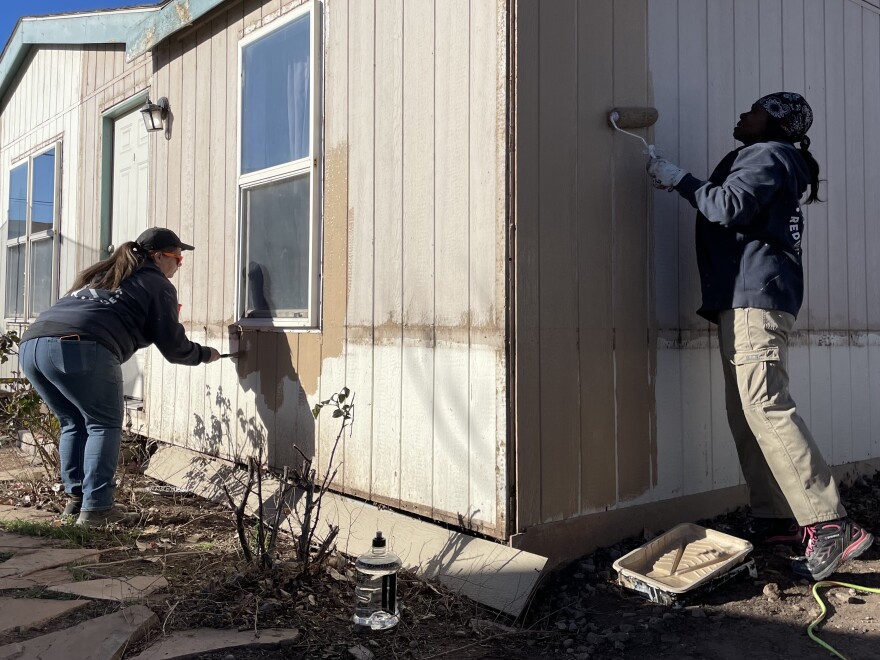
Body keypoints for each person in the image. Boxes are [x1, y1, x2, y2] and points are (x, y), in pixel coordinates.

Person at [647, 92, 874, 580]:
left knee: (764, 404)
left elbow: (728, 206)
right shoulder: (771, 157)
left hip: (756, 299)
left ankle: (830, 522)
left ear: (773, 120)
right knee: (746, 410)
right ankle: (776, 521)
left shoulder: (768, 154)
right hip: (745, 298)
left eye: (753, 110)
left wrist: (679, 179)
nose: (741, 113)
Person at [19, 227, 221, 527]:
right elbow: (173, 346)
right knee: (103, 425)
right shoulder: (155, 282)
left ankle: (76, 503)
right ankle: (97, 509)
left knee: (74, 422)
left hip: (32, 348)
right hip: (79, 346)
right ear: (157, 256)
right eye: (176, 258)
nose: (179, 265)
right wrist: (205, 354)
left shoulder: (105, 276)